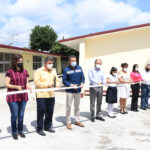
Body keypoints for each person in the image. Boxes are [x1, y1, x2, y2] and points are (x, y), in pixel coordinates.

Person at [5, 54, 32, 140]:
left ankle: (20, 130)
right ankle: (14, 132)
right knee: (15, 114)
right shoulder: (9, 72)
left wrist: (29, 86)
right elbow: (7, 84)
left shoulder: (25, 71)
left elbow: (27, 82)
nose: (21, 62)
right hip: (13, 97)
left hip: (23, 96)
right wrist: (16, 87)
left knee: (21, 115)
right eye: (19, 61)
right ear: (14, 62)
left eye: (21, 61)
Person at [34, 56, 59, 136]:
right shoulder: (38, 71)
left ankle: (47, 127)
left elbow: (57, 80)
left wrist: (57, 85)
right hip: (41, 95)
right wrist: (46, 85)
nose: (51, 65)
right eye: (49, 63)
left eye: (52, 63)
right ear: (45, 63)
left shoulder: (54, 71)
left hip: (51, 94)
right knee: (41, 111)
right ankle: (39, 128)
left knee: (50, 111)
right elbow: (36, 83)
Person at [63, 55, 85, 130]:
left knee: (77, 106)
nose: (74, 62)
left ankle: (77, 120)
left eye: (75, 60)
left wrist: (82, 83)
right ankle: (68, 122)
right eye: (72, 61)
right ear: (69, 61)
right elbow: (64, 81)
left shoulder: (79, 68)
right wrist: (71, 85)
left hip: (78, 90)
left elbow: (83, 77)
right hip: (70, 91)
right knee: (68, 106)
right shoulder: (66, 69)